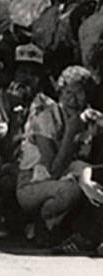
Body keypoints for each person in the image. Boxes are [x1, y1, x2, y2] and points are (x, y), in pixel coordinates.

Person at [15, 65, 99, 238]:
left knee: (92, 181)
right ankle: (40, 224)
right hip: (33, 182)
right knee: (71, 190)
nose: (73, 100)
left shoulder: (89, 117)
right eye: (68, 93)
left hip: (67, 176)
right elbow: (54, 170)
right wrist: (70, 133)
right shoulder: (46, 117)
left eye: (79, 93)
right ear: (60, 93)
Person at [0, 43, 44, 239]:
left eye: (33, 73)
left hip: (34, 171)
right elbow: (9, 153)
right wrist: (15, 115)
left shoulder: (46, 104)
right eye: (22, 71)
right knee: (10, 176)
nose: (27, 78)